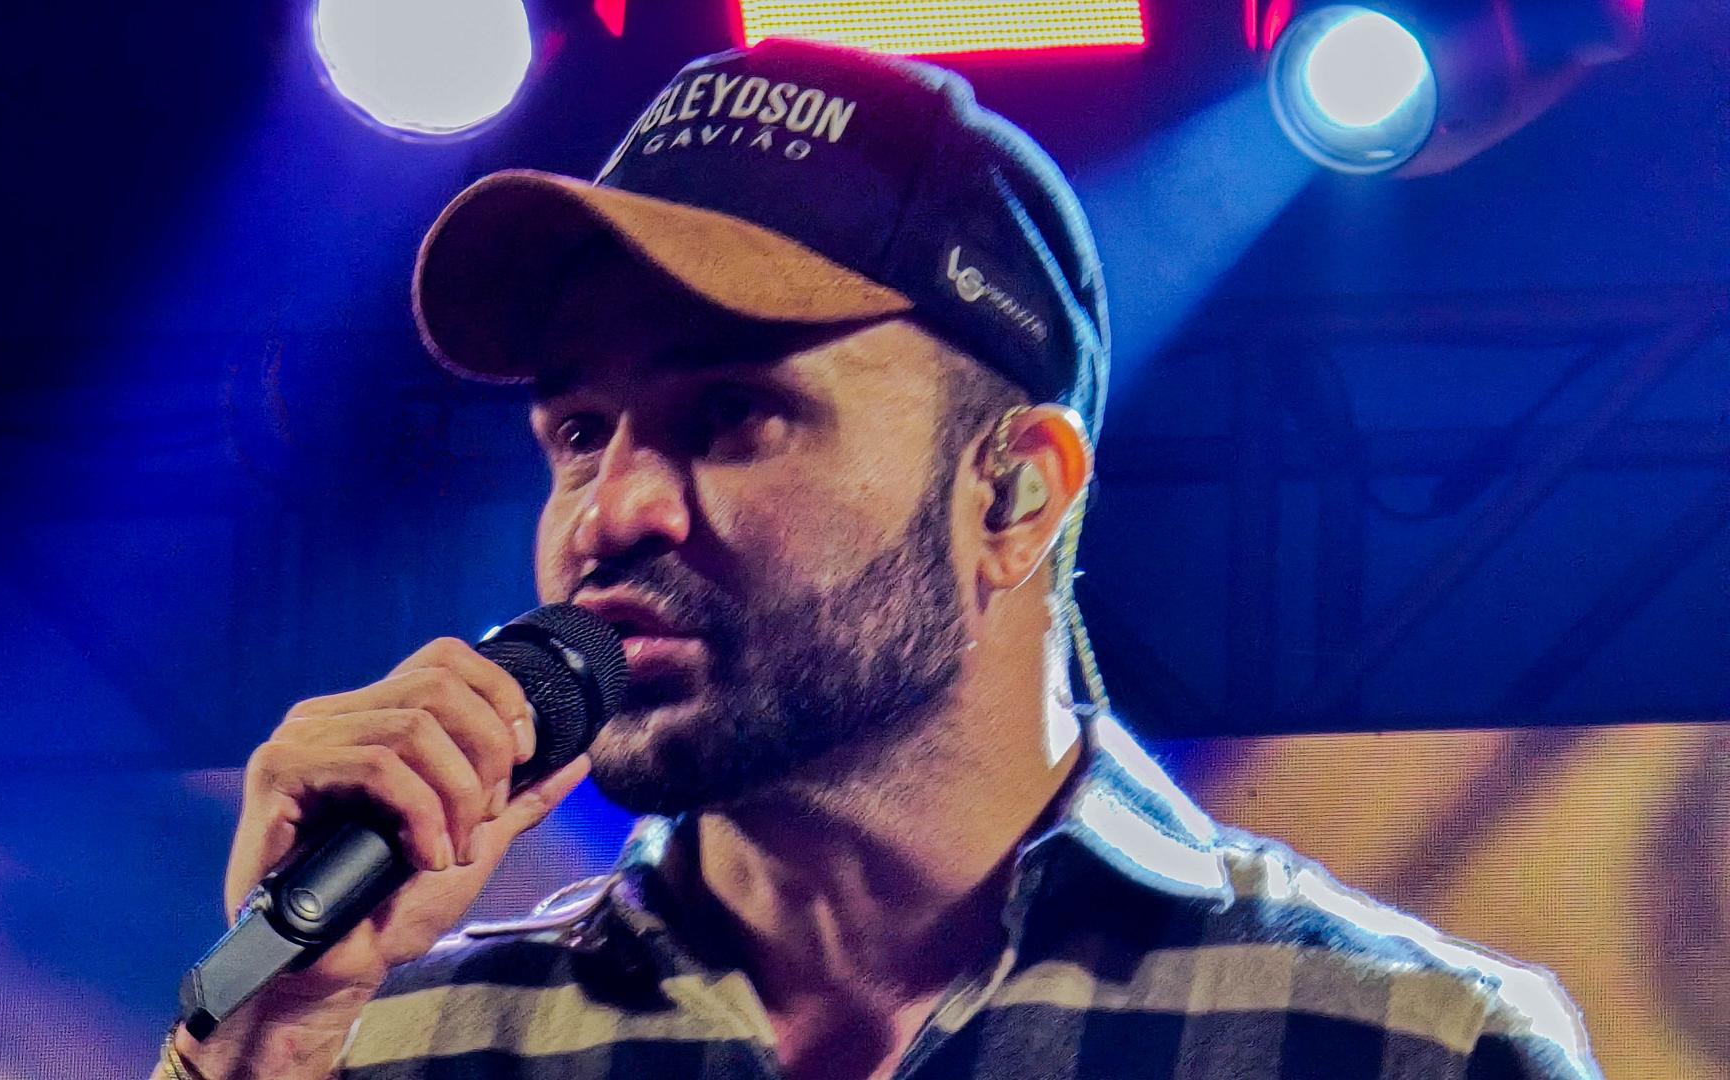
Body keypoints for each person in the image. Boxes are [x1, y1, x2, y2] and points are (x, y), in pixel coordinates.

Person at [157, 38, 1599, 1080]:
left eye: (735, 412)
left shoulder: (1407, 1047)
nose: (612, 510)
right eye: (581, 431)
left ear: (1014, 496)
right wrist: (262, 1032)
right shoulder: (397, 1049)